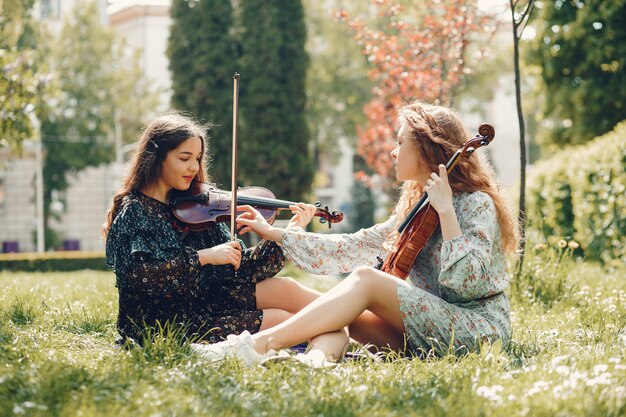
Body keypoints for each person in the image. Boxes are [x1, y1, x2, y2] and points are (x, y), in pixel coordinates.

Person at [192, 102, 519, 365]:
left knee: (365, 280)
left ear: (428, 150)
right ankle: (316, 361)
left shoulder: (476, 204)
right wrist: (275, 233)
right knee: (330, 306)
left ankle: (252, 348)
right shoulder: (417, 206)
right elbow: (352, 246)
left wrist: (447, 210)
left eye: (401, 142)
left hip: (477, 332)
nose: (392, 151)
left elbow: (465, 286)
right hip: (427, 332)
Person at [102, 113, 327, 346]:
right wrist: (204, 257)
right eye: (184, 158)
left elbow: (241, 268)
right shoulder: (135, 211)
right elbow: (141, 275)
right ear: (157, 158)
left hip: (205, 304)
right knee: (282, 319)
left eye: (198, 159)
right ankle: (333, 343)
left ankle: (361, 320)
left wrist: (284, 236)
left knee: (286, 289)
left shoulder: (196, 208)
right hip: (164, 326)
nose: (193, 167)